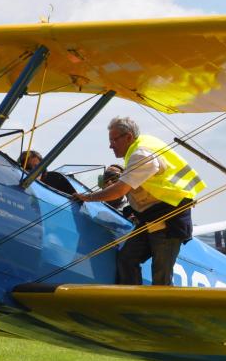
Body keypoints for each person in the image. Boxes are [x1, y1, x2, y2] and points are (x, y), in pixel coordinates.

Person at [72, 117, 205, 285]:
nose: (110, 145)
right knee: (127, 258)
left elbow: (120, 190)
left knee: (161, 277)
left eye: (113, 140)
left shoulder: (141, 154)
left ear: (128, 137)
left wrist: (88, 197)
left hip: (168, 220)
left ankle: (158, 309)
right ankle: (131, 300)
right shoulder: (142, 145)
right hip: (150, 218)